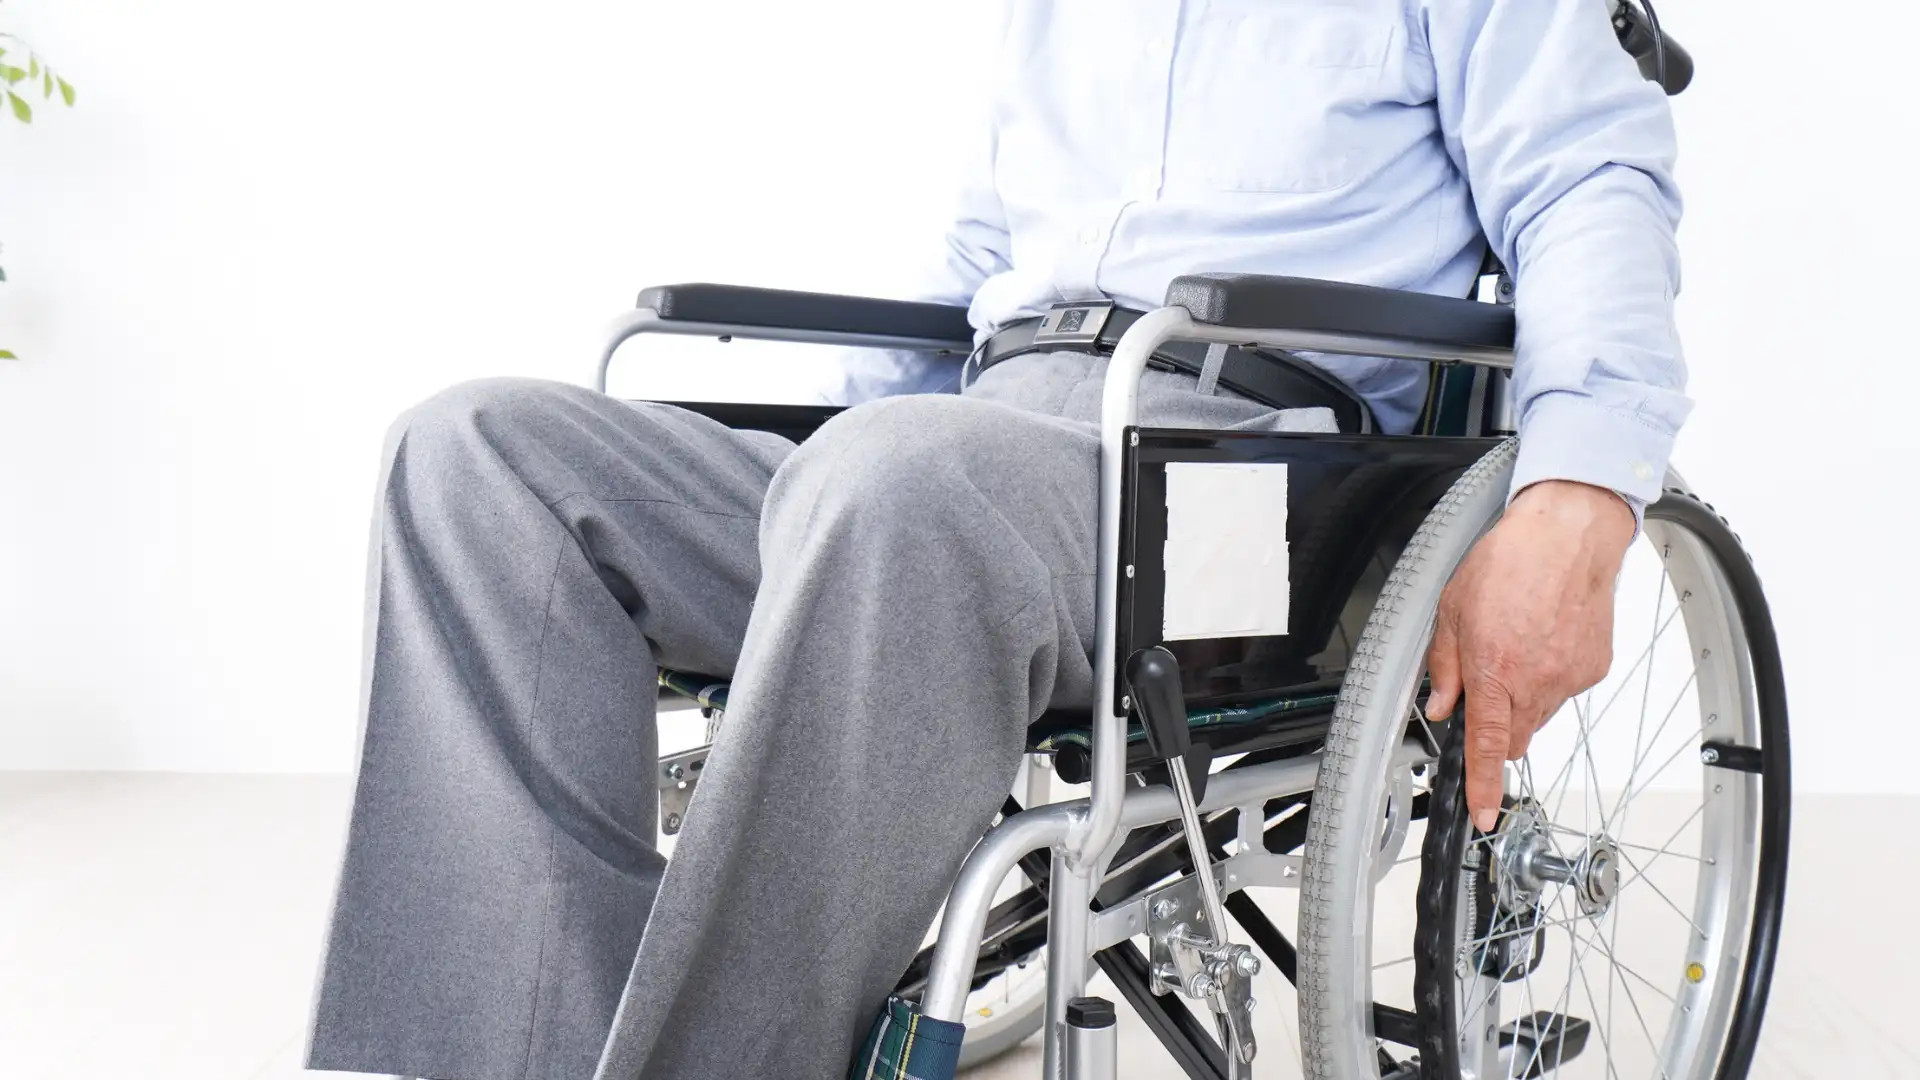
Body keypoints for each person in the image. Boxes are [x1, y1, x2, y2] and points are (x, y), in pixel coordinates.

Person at [305, 2, 1684, 1077]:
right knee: (472, 457)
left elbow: (1590, 185)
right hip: (985, 429)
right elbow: (977, 269)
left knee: (902, 484)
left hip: (1244, 486)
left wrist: (1579, 491)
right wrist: (813, 468)